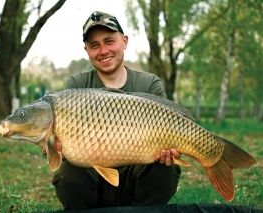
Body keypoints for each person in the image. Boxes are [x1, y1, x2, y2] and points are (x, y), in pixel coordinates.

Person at [48, 11, 182, 210]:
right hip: (94, 182)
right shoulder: (77, 85)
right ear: (86, 50)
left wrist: (169, 149)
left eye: (109, 41)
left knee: (166, 168)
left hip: (136, 180)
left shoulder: (149, 83)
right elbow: (61, 147)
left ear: (124, 41)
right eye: (94, 45)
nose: (103, 50)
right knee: (67, 171)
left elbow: (166, 130)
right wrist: (59, 149)